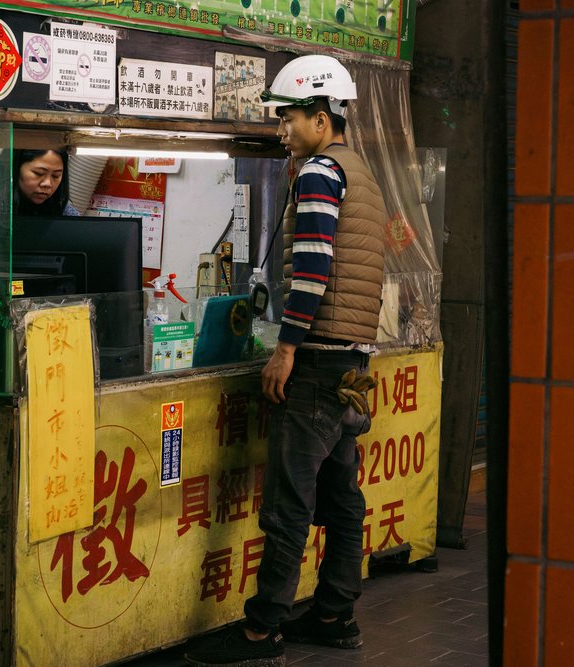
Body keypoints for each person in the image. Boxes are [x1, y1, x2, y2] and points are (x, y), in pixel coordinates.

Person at [185, 55, 387, 667]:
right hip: (351, 360)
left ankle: (262, 628)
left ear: (321, 119)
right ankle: (332, 614)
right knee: (341, 493)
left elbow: (315, 269)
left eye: (291, 116)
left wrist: (287, 348)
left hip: (320, 360)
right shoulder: (365, 175)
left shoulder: (322, 171)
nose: (283, 129)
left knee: (289, 501)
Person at [0, 148, 80, 216]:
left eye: (56, 176)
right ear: (15, 168)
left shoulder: (64, 212)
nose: (47, 183)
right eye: (38, 173)